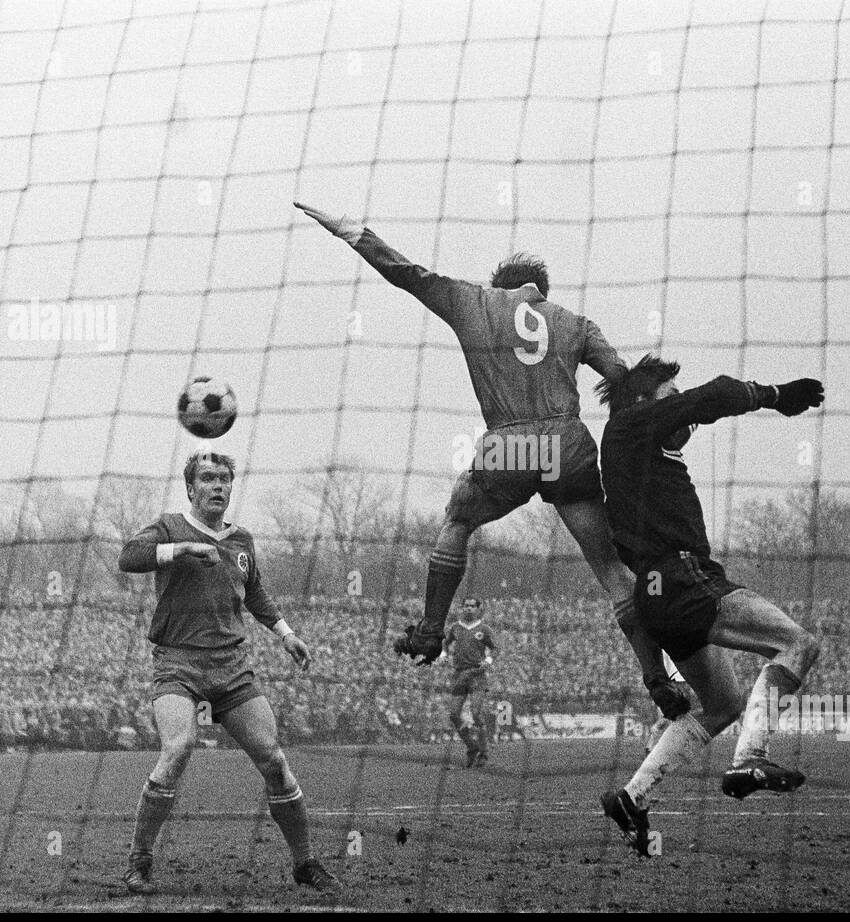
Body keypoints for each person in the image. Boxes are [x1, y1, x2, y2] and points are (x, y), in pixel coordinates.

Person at [294, 201, 689, 721]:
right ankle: (658, 677)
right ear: (540, 291)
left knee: (457, 520)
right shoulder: (574, 323)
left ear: (503, 285)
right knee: (613, 572)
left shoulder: (475, 302)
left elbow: (407, 274)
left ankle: (431, 630)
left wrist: (351, 232)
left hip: (510, 446)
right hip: (568, 445)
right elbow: (621, 379)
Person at [594, 355, 824, 853]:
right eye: (669, 396)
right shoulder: (631, 426)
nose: (682, 410)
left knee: (721, 706)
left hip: (658, 594)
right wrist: (775, 396)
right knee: (797, 644)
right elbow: (714, 394)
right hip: (682, 577)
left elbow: (698, 406)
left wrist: (654, 670)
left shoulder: (636, 450)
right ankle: (752, 756)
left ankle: (632, 797)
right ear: (642, 401)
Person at [117, 451, 341, 897]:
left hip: (232, 668)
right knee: (179, 746)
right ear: (191, 488)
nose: (218, 485)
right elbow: (128, 556)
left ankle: (304, 862)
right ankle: (139, 860)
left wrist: (286, 633)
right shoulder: (169, 526)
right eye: (208, 478)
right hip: (178, 662)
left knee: (275, 761)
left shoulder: (242, 541)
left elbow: (254, 591)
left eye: (224, 479)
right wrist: (179, 551)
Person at [440, 596, 495, 767]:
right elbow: (445, 641)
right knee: (454, 714)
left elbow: (496, 648)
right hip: (459, 674)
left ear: (479, 609)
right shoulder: (455, 627)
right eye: (466, 606)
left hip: (477, 675)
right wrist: (444, 654)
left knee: (476, 713)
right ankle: (472, 746)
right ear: (462, 608)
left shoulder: (484, 629)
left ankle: (484, 754)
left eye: (472, 606)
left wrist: (488, 660)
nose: (469, 609)